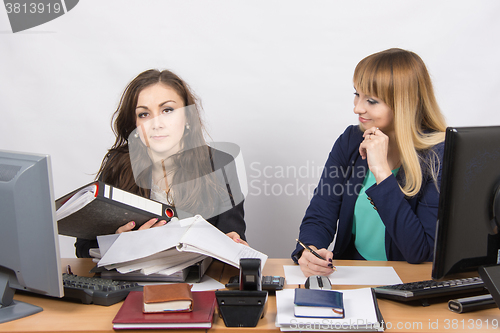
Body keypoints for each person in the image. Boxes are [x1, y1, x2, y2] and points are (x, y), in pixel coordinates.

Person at [292, 48, 447, 277]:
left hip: (408, 281)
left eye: (371, 101)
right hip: (354, 275)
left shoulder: (437, 156)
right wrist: (310, 250)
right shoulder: (350, 141)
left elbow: (419, 251)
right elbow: (321, 213)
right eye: (357, 94)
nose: (357, 108)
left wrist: (382, 172)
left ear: (407, 103)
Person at [75, 69, 247, 258]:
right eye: (144, 114)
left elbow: (234, 237)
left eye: (167, 110)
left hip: (196, 283)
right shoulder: (118, 164)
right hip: (134, 283)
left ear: (188, 118)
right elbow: (82, 247)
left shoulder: (220, 165)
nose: (156, 123)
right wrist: (117, 243)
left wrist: (233, 244)